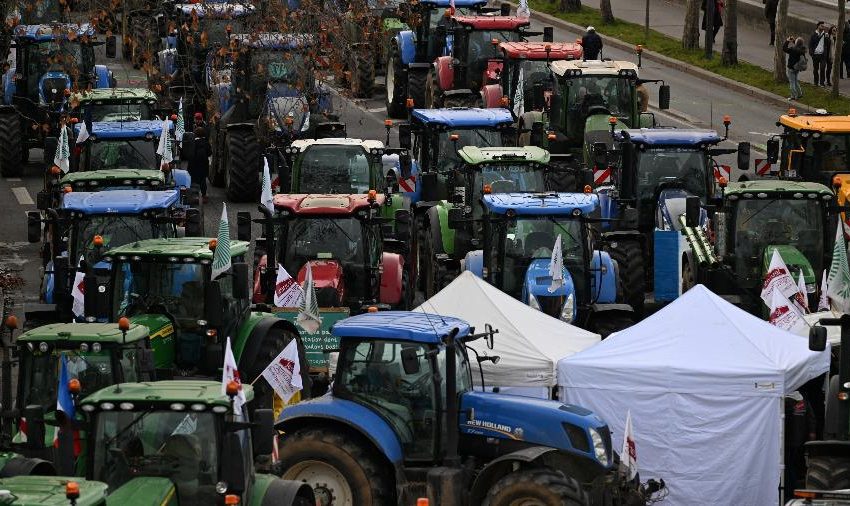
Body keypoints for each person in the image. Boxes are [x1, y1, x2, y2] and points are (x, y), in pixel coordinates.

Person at [188, 126, 210, 203]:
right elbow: (209, 152)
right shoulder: (206, 142)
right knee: (203, 181)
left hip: (194, 165)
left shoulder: (193, 142)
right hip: (204, 165)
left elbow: (190, 154)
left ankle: (195, 196)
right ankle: (204, 195)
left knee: (194, 180)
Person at [784, 36, 807, 100]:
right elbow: (798, 45)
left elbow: (784, 48)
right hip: (797, 68)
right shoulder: (802, 50)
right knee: (796, 81)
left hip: (791, 68)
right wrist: (795, 41)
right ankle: (799, 94)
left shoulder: (792, 49)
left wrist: (787, 41)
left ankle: (793, 96)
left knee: (792, 82)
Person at [810, 21, 831, 86]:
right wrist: (812, 54)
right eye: (821, 26)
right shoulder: (813, 34)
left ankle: (822, 83)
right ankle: (816, 82)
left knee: (822, 68)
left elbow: (828, 44)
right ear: (818, 26)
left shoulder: (825, 35)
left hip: (823, 55)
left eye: (823, 26)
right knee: (815, 70)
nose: (823, 27)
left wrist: (827, 38)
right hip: (815, 55)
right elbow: (810, 45)